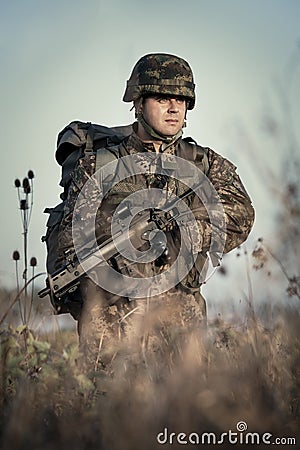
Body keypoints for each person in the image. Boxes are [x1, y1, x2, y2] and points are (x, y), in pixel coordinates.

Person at [57, 53, 255, 372]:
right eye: (163, 98)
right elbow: (71, 240)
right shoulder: (99, 165)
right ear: (138, 101)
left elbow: (240, 213)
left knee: (182, 417)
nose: (174, 107)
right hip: (111, 330)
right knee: (107, 416)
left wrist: (182, 232)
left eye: (181, 99)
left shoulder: (203, 164)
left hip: (179, 328)